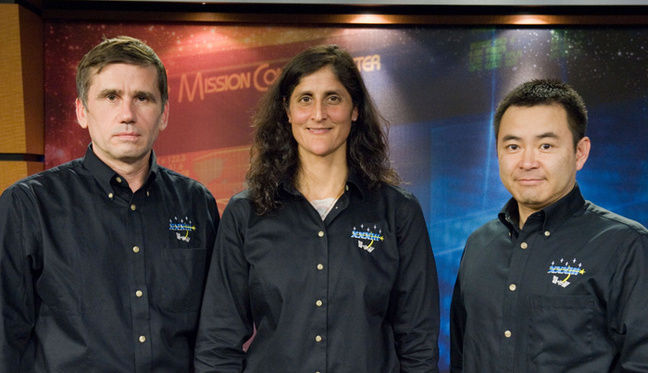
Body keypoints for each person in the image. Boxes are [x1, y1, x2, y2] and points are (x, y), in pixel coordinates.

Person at [194, 44, 439, 372]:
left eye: (333, 98)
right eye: (305, 98)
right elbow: (218, 342)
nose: (319, 113)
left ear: (354, 110)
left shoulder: (399, 212)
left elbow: (418, 341)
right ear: (287, 110)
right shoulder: (246, 213)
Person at [0, 36, 220, 372]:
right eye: (110, 96)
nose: (128, 114)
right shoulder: (28, 205)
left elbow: (216, 330)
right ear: (81, 111)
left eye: (143, 98)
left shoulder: (196, 202)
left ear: (163, 113)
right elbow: (6, 338)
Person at [450, 79, 648, 371]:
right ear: (498, 153)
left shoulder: (625, 244)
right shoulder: (479, 243)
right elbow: (460, 355)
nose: (528, 162)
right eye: (514, 145)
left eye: (546, 145)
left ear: (580, 152)